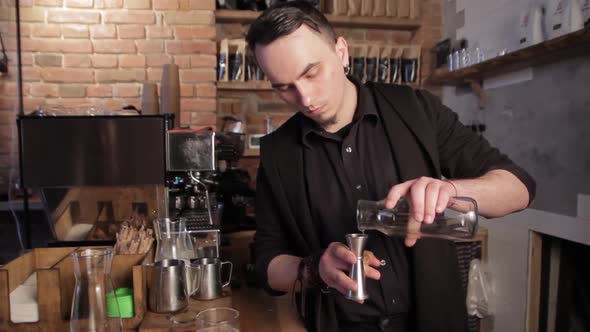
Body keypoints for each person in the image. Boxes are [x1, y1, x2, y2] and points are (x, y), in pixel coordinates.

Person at [246, 2, 536, 331]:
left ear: (341, 52)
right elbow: (266, 263)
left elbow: (520, 188)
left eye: (311, 73)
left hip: (435, 320)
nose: (305, 97)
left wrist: (452, 189)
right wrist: (313, 269)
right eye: (284, 87)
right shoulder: (277, 153)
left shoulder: (417, 111)